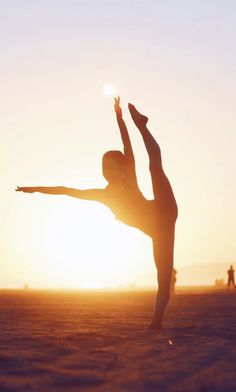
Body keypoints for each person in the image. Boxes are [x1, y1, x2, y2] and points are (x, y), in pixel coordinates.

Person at [16, 97, 178, 331]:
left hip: (164, 208)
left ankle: (142, 125)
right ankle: (157, 323)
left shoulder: (130, 181)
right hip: (159, 231)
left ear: (122, 168)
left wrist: (120, 118)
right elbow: (67, 191)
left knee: (154, 165)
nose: (106, 170)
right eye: (103, 166)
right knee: (162, 277)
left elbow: (127, 146)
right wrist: (34, 189)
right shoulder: (103, 195)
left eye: (111, 166)